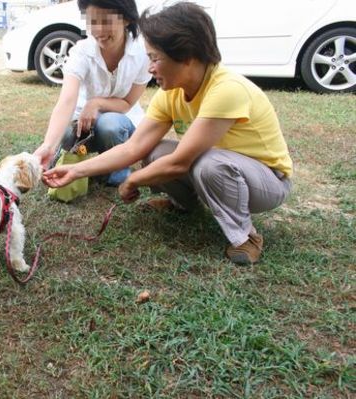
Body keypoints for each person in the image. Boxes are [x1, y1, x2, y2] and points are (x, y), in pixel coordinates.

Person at [43, 1, 293, 265]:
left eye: (155, 58)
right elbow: (132, 148)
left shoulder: (226, 89)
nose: (150, 68)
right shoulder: (170, 94)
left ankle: (246, 237)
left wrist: (133, 179)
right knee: (153, 151)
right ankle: (184, 204)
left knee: (209, 165)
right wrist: (76, 171)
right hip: (224, 166)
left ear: (187, 57)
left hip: (267, 181)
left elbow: (180, 162)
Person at [34, 0, 152, 186]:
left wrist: (96, 103)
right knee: (64, 133)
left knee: (110, 124)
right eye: (92, 21)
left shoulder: (142, 53)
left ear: (127, 19)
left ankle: (117, 173)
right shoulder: (81, 52)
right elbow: (67, 101)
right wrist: (48, 146)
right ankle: (82, 162)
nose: (98, 30)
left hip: (121, 123)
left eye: (106, 21)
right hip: (85, 124)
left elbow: (128, 103)